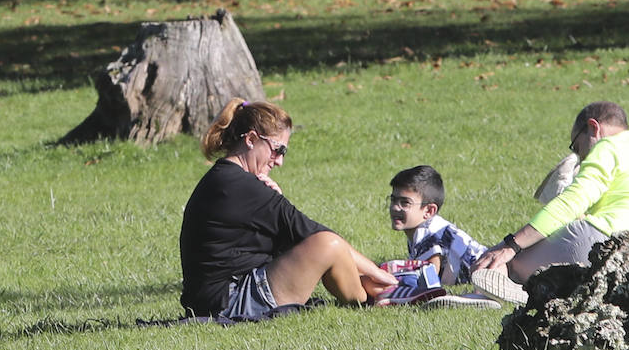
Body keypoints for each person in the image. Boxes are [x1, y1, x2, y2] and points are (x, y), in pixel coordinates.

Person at [178, 98, 396, 319]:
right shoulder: (239, 185)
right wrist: (376, 272)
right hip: (231, 303)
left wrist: (275, 198)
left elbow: (284, 236)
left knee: (328, 245)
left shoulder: (228, 179)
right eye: (277, 149)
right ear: (252, 139)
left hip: (217, 299)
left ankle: (373, 289)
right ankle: (373, 297)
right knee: (328, 244)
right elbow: (312, 233)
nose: (280, 161)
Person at [471, 101, 629, 306]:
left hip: (606, 242)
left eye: (577, 147)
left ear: (593, 127)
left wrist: (511, 245)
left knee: (501, 262)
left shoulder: (608, 146)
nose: (580, 158)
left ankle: (507, 292)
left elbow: (572, 202)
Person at [388, 165, 487, 286]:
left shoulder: (429, 234)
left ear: (429, 211)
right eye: (393, 200)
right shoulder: (421, 229)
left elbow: (428, 279)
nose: (395, 207)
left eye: (405, 203)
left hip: (488, 274)